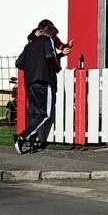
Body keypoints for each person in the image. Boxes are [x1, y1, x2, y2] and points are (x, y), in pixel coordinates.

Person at [13, 20, 72, 154]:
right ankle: (22, 137)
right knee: (44, 114)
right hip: (44, 81)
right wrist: (57, 67)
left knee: (33, 113)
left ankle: (33, 143)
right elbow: (50, 58)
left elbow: (19, 63)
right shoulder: (48, 41)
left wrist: (32, 66)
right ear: (51, 34)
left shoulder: (29, 45)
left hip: (30, 83)